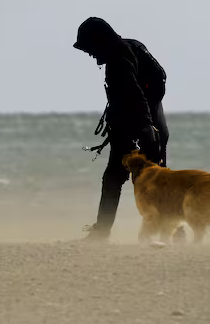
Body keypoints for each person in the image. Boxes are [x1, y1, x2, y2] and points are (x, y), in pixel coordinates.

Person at [72, 16, 169, 242]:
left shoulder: (117, 60)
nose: (90, 54)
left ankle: (102, 233)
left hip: (138, 129)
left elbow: (134, 94)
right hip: (152, 126)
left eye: (89, 48)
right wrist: (153, 126)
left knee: (118, 179)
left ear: (100, 41)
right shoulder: (133, 46)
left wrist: (145, 127)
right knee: (154, 181)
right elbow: (156, 85)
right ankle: (172, 231)